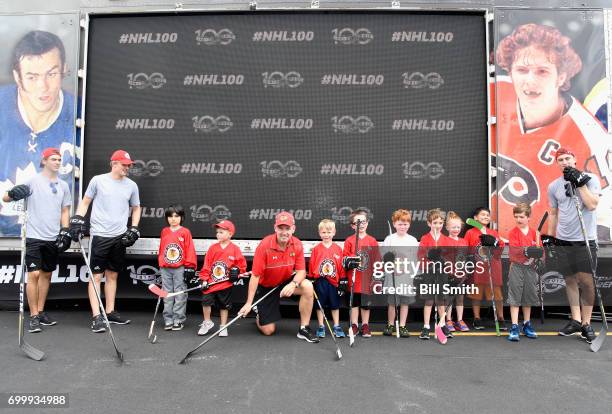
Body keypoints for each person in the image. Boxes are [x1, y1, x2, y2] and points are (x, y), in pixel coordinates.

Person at [495, 23, 610, 240]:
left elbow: (603, 219)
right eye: (521, 70)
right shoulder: (494, 93)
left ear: (562, 77)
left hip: (555, 247)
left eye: (542, 71)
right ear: (510, 72)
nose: (530, 80)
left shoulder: (590, 136)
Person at [0, 30, 75, 236]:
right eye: (32, 77)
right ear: (17, 77)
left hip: (50, 235)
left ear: (64, 70)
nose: (43, 87)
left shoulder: (80, 114)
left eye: (51, 74)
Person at [69, 149, 141, 332]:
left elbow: (136, 208)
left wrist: (133, 228)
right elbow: (85, 202)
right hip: (100, 235)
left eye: (129, 165)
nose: (127, 167)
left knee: (112, 275)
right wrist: (77, 219)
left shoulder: (131, 185)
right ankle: (96, 316)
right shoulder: (98, 180)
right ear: (114, 163)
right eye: (124, 164)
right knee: (96, 277)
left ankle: (109, 311)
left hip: (119, 236)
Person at [2, 147, 71, 332]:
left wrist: (65, 231)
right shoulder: (32, 181)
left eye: (59, 159)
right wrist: (14, 193)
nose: (57, 162)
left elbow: (65, 210)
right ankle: (32, 316)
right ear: (44, 161)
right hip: (33, 236)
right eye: (54, 159)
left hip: (52, 237)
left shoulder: (64, 186)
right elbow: (6, 197)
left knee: (47, 274)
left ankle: (40, 312)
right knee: (34, 274)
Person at [546, 147, 601, 344]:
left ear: (575, 159)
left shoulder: (591, 179)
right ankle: (576, 320)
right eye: (560, 159)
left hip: (585, 240)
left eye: (568, 158)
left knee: (586, 282)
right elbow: (553, 213)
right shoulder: (554, 186)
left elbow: (592, 205)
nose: (564, 162)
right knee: (569, 280)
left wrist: (580, 183)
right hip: (563, 240)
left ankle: (586, 323)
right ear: (557, 163)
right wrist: (551, 238)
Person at [238, 211, 319, 343]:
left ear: (293, 229)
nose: (284, 232)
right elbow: (255, 276)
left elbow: (301, 271)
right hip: (266, 286)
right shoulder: (264, 245)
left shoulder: (297, 244)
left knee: (307, 286)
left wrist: (293, 284)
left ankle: (304, 328)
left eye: (287, 228)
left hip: (285, 282)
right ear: (275, 228)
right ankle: (258, 311)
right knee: (268, 331)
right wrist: (248, 303)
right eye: (280, 228)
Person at [198, 219, 247, 337]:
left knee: (224, 305)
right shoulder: (212, 248)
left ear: (230, 234)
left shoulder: (235, 249)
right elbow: (207, 265)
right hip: (211, 283)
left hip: (225, 284)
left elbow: (242, 265)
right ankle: (207, 322)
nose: (218, 234)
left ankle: (223, 326)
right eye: (217, 232)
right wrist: (204, 279)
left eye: (222, 232)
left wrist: (237, 271)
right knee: (206, 302)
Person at [465, 207, 507, 331]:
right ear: (475, 218)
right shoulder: (470, 233)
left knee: (497, 295)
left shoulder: (493, 233)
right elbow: (467, 249)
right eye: (482, 215)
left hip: (493, 268)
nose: (486, 217)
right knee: (476, 295)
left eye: (488, 215)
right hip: (478, 269)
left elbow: (500, 247)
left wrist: (494, 243)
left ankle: (500, 318)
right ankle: (477, 318)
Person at [157, 205, 197, 332]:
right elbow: (162, 249)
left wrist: (190, 267)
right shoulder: (164, 231)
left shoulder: (185, 232)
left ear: (182, 217)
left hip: (180, 268)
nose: (173, 219)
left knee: (180, 294)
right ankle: (168, 319)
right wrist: (161, 263)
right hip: (165, 268)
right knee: (166, 294)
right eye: (170, 216)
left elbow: (190, 249)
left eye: (176, 216)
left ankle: (178, 319)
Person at [507, 203, 542, 341]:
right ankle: (514, 326)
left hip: (531, 269)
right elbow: (515, 251)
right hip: (516, 267)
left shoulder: (535, 234)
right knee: (515, 297)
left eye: (521, 216)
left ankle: (527, 324)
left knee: (528, 296)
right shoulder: (513, 233)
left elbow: (541, 252)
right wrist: (528, 250)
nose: (518, 219)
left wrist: (540, 258)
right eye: (516, 217)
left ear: (528, 217)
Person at [342, 209, 380, 338]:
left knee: (365, 304)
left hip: (366, 279)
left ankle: (365, 325)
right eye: (358, 222)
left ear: (367, 223)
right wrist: (350, 261)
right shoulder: (349, 240)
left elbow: (377, 260)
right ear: (353, 226)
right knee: (354, 303)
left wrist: (376, 276)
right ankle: (354, 324)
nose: (361, 225)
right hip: (353, 279)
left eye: (363, 222)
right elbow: (345, 259)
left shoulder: (372, 241)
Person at [381, 209, 418, 338]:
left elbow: (414, 259)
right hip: (393, 277)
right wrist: (389, 261)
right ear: (394, 224)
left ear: (409, 224)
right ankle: (390, 324)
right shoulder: (389, 239)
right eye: (400, 224)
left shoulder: (412, 240)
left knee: (404, 302)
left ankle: (402, 325)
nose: (402, 226)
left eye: (405, 224)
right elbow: (384, 257)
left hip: (406, 276)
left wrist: (411, 272)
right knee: (392, 302)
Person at [417, 209, 452, 340]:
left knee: (441, 299)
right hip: (429, 274)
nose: (438, 225)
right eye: (435, 222)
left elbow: (450, 257)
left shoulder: (446, 239)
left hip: (442, 274)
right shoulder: (425, 238)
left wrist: (444, 262)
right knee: (429, 299)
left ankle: (442, 325)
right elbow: (420, 256)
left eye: (440, 223)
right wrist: (430, 262)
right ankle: (426, 326)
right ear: (429, 223)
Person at [308, 219, 346, 338]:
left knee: (335, 305)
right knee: (320, 305)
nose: (326, 235)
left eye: (329, 232)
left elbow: (341, 266)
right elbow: (312, 265)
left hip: (334, 282)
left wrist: (342, 281)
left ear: (334, 232)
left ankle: (336, 326)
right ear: (320, 233)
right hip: (321, 281)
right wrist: (311, 278)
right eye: (324, 232)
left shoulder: (338, 249)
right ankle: (321, 326)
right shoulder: (316, 249)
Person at [443, 211, 470, 332]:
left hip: (460, 275)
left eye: (458, 227)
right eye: (453, 227)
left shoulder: (464, 241)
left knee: (459, 298)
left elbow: (465, 259)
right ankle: (448, 319)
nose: (456, 229)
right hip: (448, 275)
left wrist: (464, 272)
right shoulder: (444, 240)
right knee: (448, 298)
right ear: (447, 227)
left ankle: (459, 320)